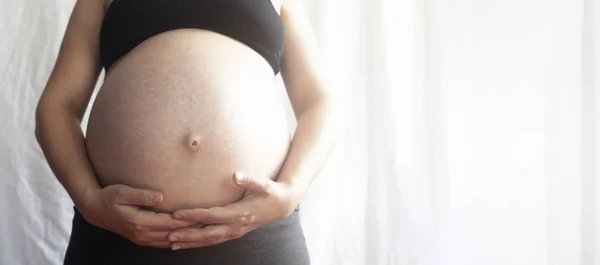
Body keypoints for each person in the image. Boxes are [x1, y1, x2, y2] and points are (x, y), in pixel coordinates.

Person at [34, 0, 338, 264]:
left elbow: (319, 103)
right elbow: (57, 107)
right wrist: (89, 200)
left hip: (257, 230)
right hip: (118, 231)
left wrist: (290, 192)